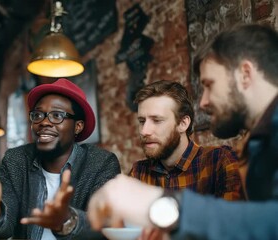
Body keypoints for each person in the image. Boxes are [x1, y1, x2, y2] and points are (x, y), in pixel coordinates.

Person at [87, 23, 278, 240]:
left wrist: (161, 206)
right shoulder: (260, 145)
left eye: (209, 84)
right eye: (142, 121)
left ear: (245, 74)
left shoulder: (225, 159)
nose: (203, 102)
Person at [0, 78, 121, 239]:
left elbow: (105, 227)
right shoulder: (16, 160)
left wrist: (67, 220)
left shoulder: (100, 164)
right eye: (38, 115)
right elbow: (5, 228)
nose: (43, 122)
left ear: (78, 126)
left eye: (56, 115)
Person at [131, 80, 242, 200]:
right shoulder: (139, 172)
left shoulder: (220, 161)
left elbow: (234, 217)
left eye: (157, 120)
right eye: (142, 121)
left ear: (183, 123)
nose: (144, 131)